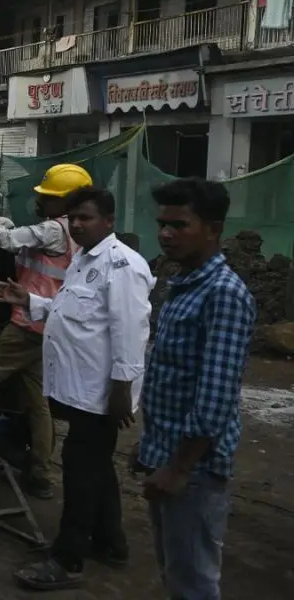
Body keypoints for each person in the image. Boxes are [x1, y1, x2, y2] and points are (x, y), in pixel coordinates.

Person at [0, 187, 154, 591]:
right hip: (80, 386)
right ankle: (111, 542)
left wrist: (121, 390)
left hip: (101, 392)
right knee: (97, 467)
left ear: (109, 221)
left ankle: (68, 559)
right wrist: (28, 299)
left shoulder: (123, 266)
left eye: (86, 218)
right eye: (73, 218)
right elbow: (73, 310)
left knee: (82, 469)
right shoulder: (83, 259)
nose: (77, 225)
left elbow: (130, 333)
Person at [135, 178, 255, 600]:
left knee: (194, 584)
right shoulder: (184, 284)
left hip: (195, 469)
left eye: (180, 225)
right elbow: (171, 374)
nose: (166, 234)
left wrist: (180, 468)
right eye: (163, 224)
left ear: (213, 228)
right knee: (176, 572)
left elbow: (216, 395)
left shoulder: (222, 294)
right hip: (167, 454)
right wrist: (151, 450)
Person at [0, 163, 92, 498]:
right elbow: (12, 233)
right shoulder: (78, 233)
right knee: (38, 400)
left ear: (68, 202)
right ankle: (40, 474)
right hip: (51, 326)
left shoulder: (57, 229)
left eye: (49, 197)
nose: (41, 202)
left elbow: (8, 239)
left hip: (29, 324)